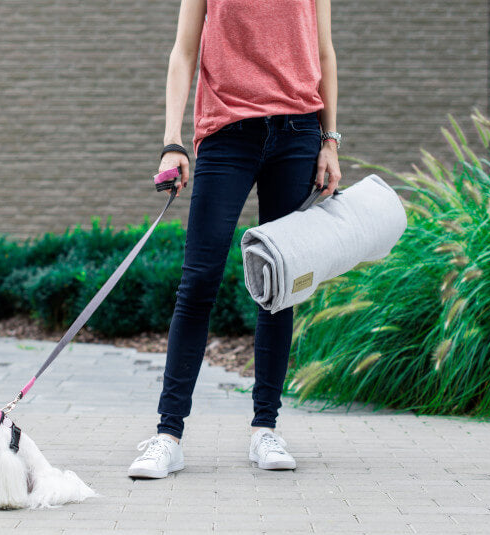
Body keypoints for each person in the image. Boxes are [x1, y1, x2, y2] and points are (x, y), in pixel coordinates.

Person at [128, 0, 342, 478]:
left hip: (298, 132)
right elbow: (184, 51)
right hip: (226, 133)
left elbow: (324, 51)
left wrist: (330, 140)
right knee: (198, 281)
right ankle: (168, 435)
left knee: (278, 285)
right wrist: (172, 141)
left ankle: (265, 428)